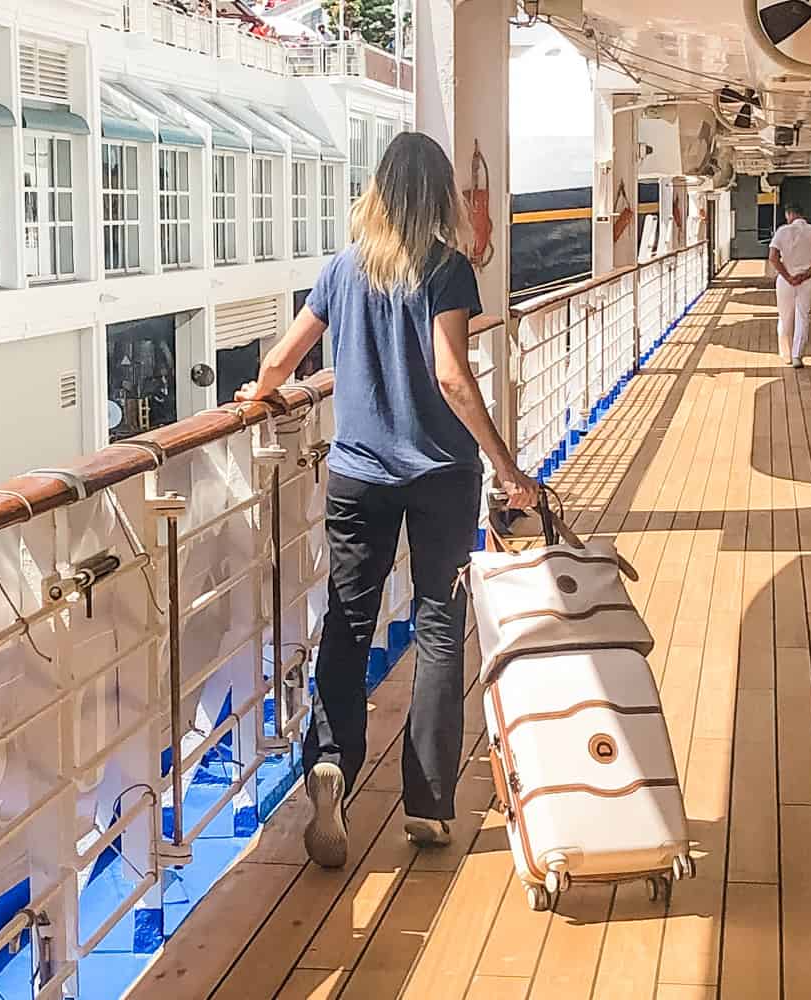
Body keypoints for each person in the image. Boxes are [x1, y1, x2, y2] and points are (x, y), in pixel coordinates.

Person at [237, 132, 539, 868]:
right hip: (441, 476)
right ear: (438, 194)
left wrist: (260, 394)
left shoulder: (343, 269)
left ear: (376, 190)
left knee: (348, 621)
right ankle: (430, 808)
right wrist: (507, 468)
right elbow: (452, 377)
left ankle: (331, 762)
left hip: (357, 475)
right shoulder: (447, 269)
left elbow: (282, 358)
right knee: (438, 628)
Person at [767, 204, 811, 368]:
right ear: (803, 214)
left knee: (785, 317)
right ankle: (797, 356)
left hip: (785, 280)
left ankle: (786, 355)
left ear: (789, 215)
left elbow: (773, 257)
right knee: (803, 316)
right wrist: (806, 274)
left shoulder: (782, 231)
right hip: (808, 281)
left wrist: (788, 276)